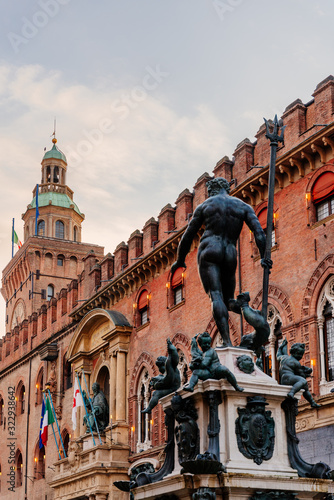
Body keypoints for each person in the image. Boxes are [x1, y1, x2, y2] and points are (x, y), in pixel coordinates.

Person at [171, 177, 271, 347]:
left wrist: (180, 260)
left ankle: (226, 342)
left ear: (212, 191)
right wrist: (264, 257)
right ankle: (245, 307)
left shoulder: (206, 205)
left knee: (216, 295)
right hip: (230, 253)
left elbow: (187, 237)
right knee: (228, 300)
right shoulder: (243, 206)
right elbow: (259, 233)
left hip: (209, 250)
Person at [277, 339, 320, 408]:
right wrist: (306, 373)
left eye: (301, 354)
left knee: (305, 387)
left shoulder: (284, 357)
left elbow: (278, 355)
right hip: (289, 378)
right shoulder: (296, 363)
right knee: (303, 381)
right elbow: (301, 376)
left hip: (284, 379)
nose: (300, 356)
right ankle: (292, 392)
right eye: (299, 354)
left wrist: (280, 347)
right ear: (294, 352)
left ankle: (312, 402)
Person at [142, 338, 181, 413]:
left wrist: (157, 384)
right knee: (158, 379)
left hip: (174, 389)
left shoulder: (169, 366)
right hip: (172, 388)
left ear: (163, 364)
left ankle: (149, 409)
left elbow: (168, 381)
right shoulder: (169, 368)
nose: (159, 370)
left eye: (160, 367)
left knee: (156, 393)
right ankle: (149, 409)